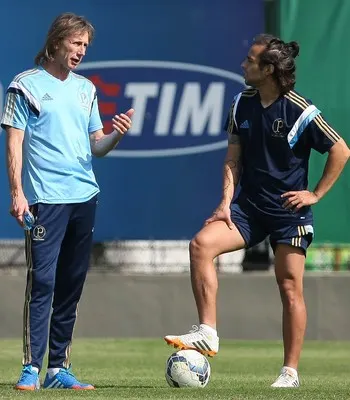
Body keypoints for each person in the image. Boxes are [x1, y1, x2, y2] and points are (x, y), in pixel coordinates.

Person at [164, 34, 350, 388]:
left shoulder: (301, 110)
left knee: (289, 287)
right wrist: (224, 204)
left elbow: (341, 150)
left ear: (268, 70)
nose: (243, 65)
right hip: (248, 208)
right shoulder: (240, 103)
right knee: (201, 245)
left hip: (287, 212)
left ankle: (289, 373)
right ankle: (208, 332)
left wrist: (314, 194)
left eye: (250, 61)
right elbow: (233, 158)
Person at [1, 13, 134, 390]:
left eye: (85, 46)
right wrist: (17, 192)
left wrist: (116, 135)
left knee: (71, 283)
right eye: (75, 43)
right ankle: (31, 367)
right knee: (42, 282)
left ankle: (58, 369)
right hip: (46, 200)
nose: (80, 51)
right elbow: (14, 142)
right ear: (56, 41)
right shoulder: (24, 85)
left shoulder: (86, 89)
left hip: (84, 197)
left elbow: (97, 146)